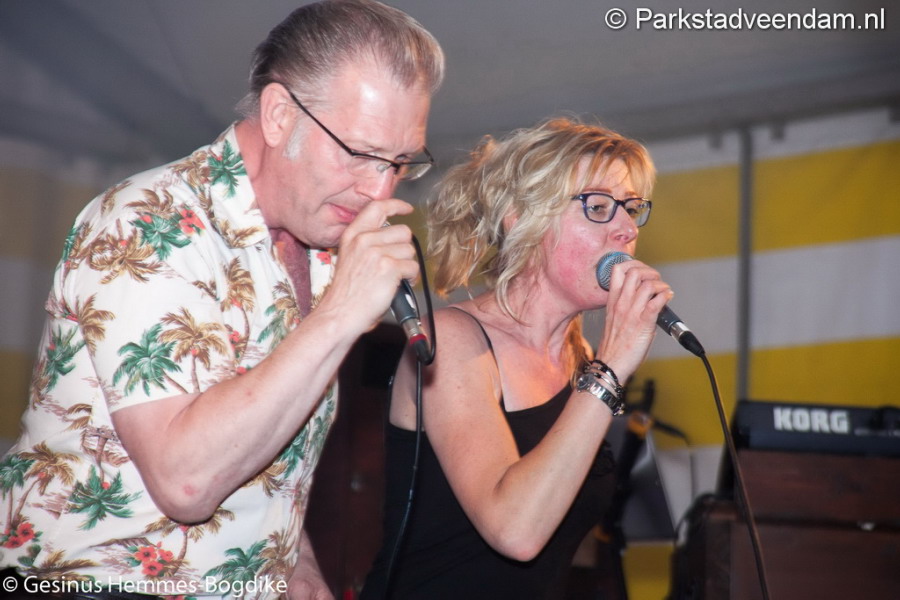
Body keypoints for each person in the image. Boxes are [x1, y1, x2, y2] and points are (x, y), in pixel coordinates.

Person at [0, 1, 443, 599]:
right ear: (280, 115)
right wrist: (341, 314)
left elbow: (256, 446)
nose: (379, 188)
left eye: (400, 162)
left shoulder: (322, 248)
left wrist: (294, 557)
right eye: (361, 153)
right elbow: (185, 482)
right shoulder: (149, 222)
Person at [361, 117, 668, 599]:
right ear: (521, 218)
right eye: (599, 207)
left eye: (631, 209)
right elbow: (515, 531)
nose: (627, 229)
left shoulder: (579, 358)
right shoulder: (453, 340)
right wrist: (610, 371)